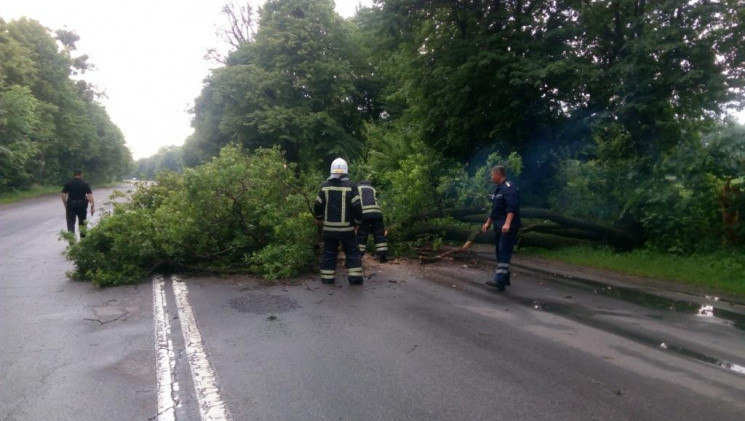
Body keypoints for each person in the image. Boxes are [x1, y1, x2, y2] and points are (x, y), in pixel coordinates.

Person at [313, 158, 364, 285]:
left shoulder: (324, 186)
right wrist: (357, 222)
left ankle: (327, 278)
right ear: (346, 172)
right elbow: (357, 206)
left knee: (329, 252)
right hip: (347, 229)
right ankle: (355, 278)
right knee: (352, 252)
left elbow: (318, 205)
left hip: (329, 229)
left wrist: (319, 218)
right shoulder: (351, 187)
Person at [481, 165, 520, 291]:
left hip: (507, 227)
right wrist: (488, 223)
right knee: (499, 251)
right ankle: (504, 279)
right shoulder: (498, 190)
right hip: (499, 226)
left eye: (493, 174)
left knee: (504, 251)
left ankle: (499, 279)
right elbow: (495, 210)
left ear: (499, 174)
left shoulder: (509, 187)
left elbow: (512, 207)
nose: (491, 177)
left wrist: (507, 223)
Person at [356, 180, 388, 262]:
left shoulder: (356, 188)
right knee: (379, 234)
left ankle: (358, 256)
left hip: (364, 214)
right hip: (377, 213)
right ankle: (383, 255)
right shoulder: (372, 188)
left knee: (362, 235)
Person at [61, 169, 95, 237]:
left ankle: (72, 242)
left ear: (74, 175)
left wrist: (65, 204)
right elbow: (90, 196)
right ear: (80, 175)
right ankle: (83, 241)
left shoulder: (68, 183)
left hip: (71, 205)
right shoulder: (85, 183)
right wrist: (92, 207)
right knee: (82, 223)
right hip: (82, 205)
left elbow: (63, 194)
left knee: (70, 223)